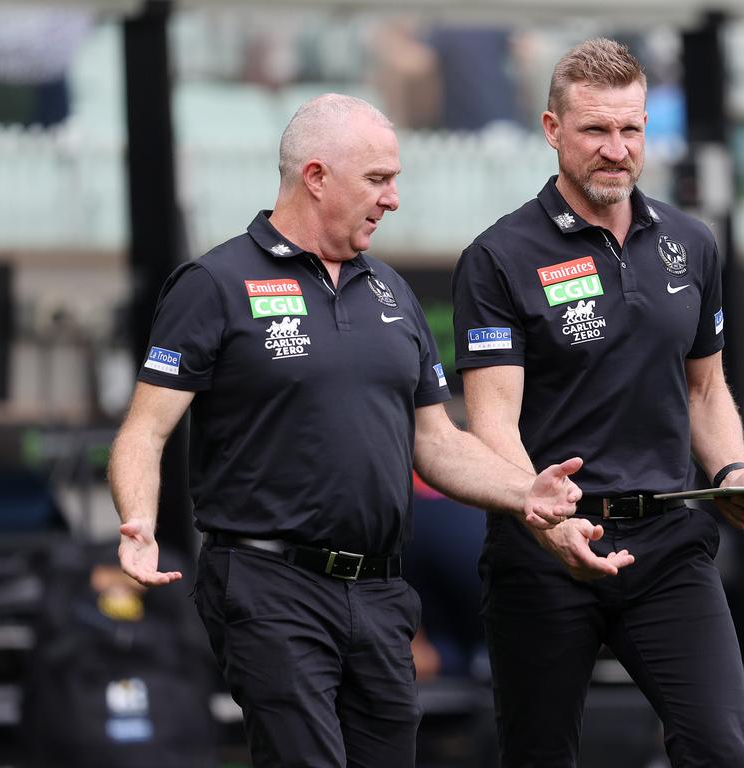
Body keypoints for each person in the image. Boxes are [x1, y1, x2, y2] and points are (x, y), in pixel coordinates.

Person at [107, 93, 587, 768]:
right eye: (379, 179)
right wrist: (138, 521)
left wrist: (523, 492)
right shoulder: (214, 283)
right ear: (316, 176)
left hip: (381, 593)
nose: (393, 198)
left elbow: (438, 443)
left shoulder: (391, 293)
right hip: (268, 581)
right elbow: (144, 431)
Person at [451, 38, 744, 768]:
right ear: (552, 130)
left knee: (719, 750)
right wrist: (546, 518)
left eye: (631, 129)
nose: (617, 149)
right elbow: (491, 423)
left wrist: (732, 471)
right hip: (544, 551)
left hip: (668, 546)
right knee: (538, 756)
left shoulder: (691, 244)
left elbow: (705, 387)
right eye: (595, 130)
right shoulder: (499, 257)